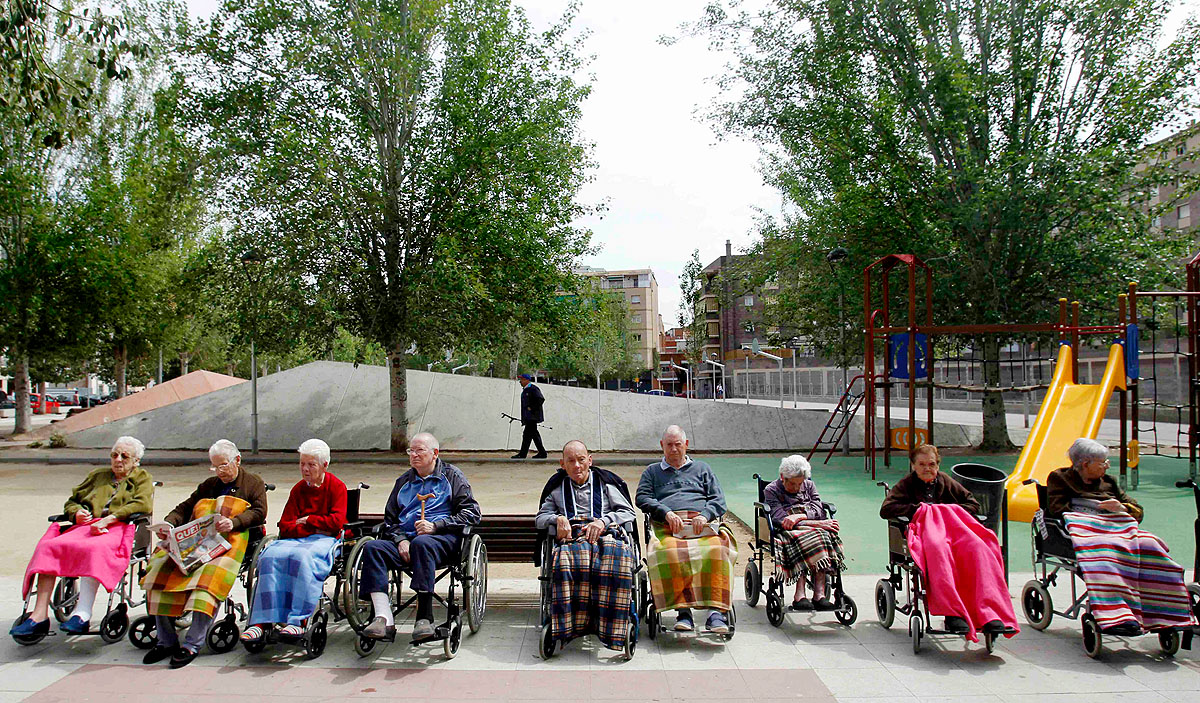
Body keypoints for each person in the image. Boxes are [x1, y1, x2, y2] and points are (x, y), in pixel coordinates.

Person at [141, 439, 268, 668]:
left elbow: (259, 513)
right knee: (161, 571)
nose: (219, 472)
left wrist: (235, 522)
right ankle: (165, 640)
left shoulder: (253, 483)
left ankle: (192, 643)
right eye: (215, 467)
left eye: (223, 465)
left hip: (232, 543)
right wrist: (169, 525)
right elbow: (184, 508)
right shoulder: (209, 485)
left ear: (237, 460)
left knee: (206, 582)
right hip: (201, 542)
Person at [1046, 438, 1194, 634]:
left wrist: (1122, 508)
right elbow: (1057, 509)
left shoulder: (1109, 482)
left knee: (1151, 545)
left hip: (1119, 528)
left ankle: (1166, 613)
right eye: (1103, 462)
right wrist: (1092, 509)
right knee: (1106, 552)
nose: (1107, 465)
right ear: (1085, 464)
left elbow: (1138, 511)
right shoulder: (1059, 478)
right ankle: (1117, 615)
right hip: (1087, 531)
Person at [11, 436, 154, 639]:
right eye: (114, 455)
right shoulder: (98, 475)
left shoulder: (142, 478)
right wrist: (76, 512)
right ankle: (39, 614)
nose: (118, 460)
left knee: (92, 549)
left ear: (136, 461)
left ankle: (82, 613)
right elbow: (71, 502)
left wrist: (108, 519)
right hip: (86, 527)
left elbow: (143, 505)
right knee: (48, 547)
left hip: (118, 529)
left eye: (125, 456)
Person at [879, 444, 1015, 640]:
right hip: (925, 533)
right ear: (913, 465)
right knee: (939, 549)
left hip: (953, 530)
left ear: (938, 464)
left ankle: (989, 612)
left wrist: (947, 511)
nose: (927, 468)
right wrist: (921, 510)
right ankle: (953, 613)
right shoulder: (907, 484)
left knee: (979, 547)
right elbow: (887, 509)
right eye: (922, 464)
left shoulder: (946, 481)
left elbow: (972, 504)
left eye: (932, 464)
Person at [358, 432, 481, 641]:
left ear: (435, 454)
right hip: (406, 542)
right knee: (372, 548)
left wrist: (436, 526)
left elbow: (472, 513)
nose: (414, 455)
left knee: (422, 543)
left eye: (419, 450)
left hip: (441, 542)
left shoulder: (452, 476)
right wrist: (400, 540)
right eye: (411, 450)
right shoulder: (404, 481)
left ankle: (424, 617)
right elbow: (390, 519)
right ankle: (383, 617)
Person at [241, 439, 347, 644]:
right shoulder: (298, 489)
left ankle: (298, 620)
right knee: (269, 556)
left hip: (324, 540)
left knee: (302, 557)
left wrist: (308, 520)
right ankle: (261, 622)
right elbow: (285, 525)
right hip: (297, 538)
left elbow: (336, 523)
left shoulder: (337, 487)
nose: (305, 469)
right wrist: (312, 526)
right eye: (302, 464)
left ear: (325, 465)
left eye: (311, 465)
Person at [535, 440, 637, 651]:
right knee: (565, 561)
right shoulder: (556, 489)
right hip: (573, 538)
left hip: (606, 533)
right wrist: (558, 519)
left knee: (615, 560)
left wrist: (603, 521)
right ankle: (569, 626)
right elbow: (540, 518)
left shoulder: (607, 484)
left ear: (590, 460)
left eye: (581, 460)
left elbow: (629, 513)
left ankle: (610, 628)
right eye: (571, 461)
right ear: (562, 464)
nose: (577, 466)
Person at [636, 425, 735, 634]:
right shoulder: (652, 472)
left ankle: (715, 612)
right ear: (662, 446)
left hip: (702, 524)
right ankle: (683, 611)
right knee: (670, 552)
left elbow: (718, 499)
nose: (673, 449)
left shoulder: (703, 469)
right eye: (669, 445)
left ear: (686, 445)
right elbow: (642, 497)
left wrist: (704, 515)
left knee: (717, 550)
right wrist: (666, 513)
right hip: (669, 525)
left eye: (678, 444)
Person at [762, 455, 843, 611]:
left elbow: (819, 509)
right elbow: (782, 520)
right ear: (782, 477)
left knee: (823, 536)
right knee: (810, 537)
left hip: (810, 528)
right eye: (792, 484)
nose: (797, 488)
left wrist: (799, 515)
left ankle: (819, 594)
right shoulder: (771, 490)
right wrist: (818, 523)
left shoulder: (809, 485)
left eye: (800, 483)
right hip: (788, 532)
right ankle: (800, 594)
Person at [512, 374, 547, 459]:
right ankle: (542, 453)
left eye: (522, 379)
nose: (520, 381)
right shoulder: (526, 390)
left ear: (527, 380)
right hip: (528, 417)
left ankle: (523, 454)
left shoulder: (533, 389)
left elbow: (540, 399)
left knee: (527, 435)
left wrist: (531, 408)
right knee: (534, 435)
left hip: (532, 417)